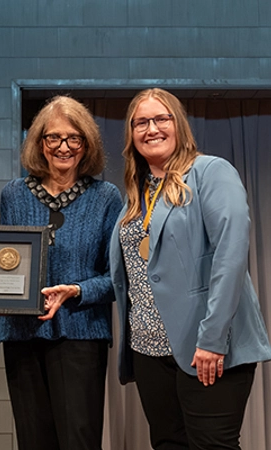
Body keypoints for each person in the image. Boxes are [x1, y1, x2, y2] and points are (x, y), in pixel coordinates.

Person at [110, 88, 271, 449]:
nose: (151, 128)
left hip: (206, 347)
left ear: (178, 124)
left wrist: (212, 339)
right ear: (131, 134)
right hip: (149, 349)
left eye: (161, 118)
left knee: (212, 444)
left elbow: (230, 257)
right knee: (168, 444)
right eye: (141, 122)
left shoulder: (210, 172)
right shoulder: (136, 192)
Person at [0, 96, 123, 450]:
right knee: (33, 441)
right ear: (39, 143)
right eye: (53, 138)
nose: (63, 147)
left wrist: (76, 291)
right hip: (23, 335)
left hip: (80, 336)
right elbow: (7, 261)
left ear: (87, 144)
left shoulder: (106, 197)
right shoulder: (15, 195)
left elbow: (117, 278)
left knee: (78, 441)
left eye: (73, 138)